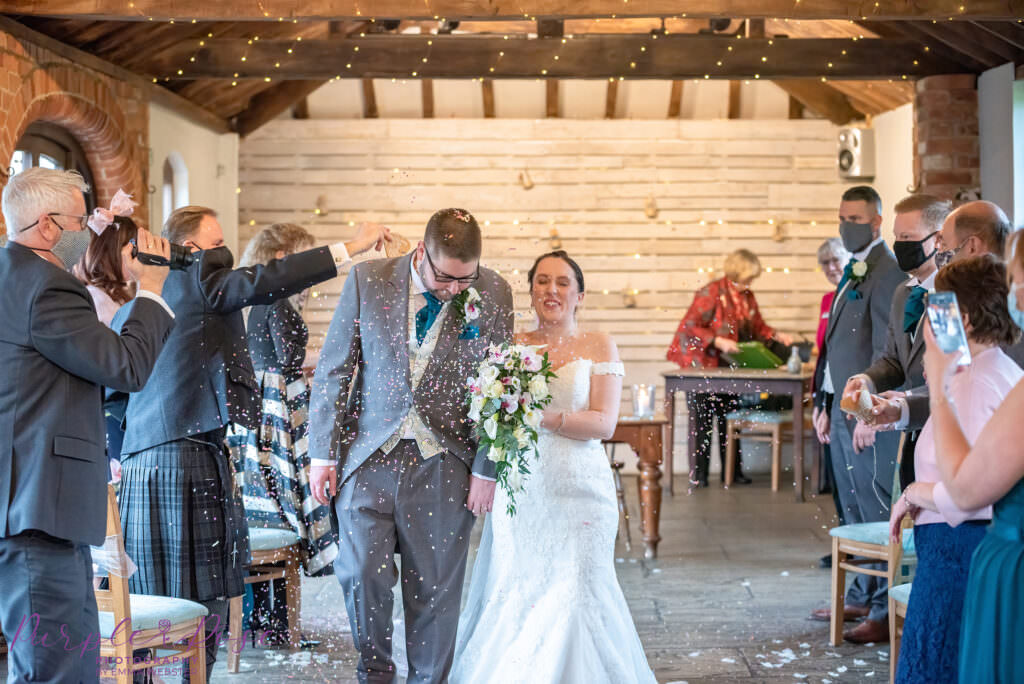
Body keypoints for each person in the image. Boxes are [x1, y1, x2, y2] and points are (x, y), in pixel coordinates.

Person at [117, 205, 390, 679]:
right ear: (190, 250)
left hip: (141, 462)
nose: (224, 254)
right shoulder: (201, 277)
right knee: (204, 599)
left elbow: (115, 391)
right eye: (216, 244)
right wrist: (353, 246)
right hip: (188, 455)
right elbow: (269, 276)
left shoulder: (136, 301)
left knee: (147, 594)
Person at [308, 208, 513, 683]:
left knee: (436, 592)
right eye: (445, 278)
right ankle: (375, 673)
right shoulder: (368, 280)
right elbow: (336, 368)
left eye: (467, 280)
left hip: (445, 463)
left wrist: (486, 467)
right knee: (361, 574)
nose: (455, 290)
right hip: (367, 457)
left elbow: (500, 382)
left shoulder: (495, 291)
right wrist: (323, 454)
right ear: (421, 253)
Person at [0, 168, 175, 682]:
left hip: (35, 507)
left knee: (66, 665)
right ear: (49, 226)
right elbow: (126, 367)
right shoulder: (47, 288)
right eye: (82, 221)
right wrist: (154, 290)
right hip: (38, 510)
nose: (91, 232)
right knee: (55, 671)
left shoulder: (15, 276)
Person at [451, 251, 656, 684]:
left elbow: (604, 422)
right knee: (521, 589)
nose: (552, 290)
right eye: (542, 281)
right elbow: (491, 420)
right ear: (530, 292)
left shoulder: (599, 344)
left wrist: (541, 417)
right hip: (524, 491)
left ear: (580, 294)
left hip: (581, 488)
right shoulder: (513, 346)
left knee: (580, 591)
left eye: (563, 282)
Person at [886, 255, 1020, 684]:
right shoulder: (983, 370)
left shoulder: (979, 381)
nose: (926, 317)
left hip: (959, 552)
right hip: (948, 551)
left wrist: (913, 494)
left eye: (934, 306)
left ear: (957, 315)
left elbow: (971, 494)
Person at [920, 231, 1024, 683]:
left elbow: (968, 489)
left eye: (1017, 278)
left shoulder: (978, 379)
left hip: (989, 557)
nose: (1013, 292)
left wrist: (937, 381)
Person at [230, 222, 339, 642]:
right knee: (281, 504)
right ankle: (273, 622)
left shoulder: (261, 300)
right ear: (281, 260)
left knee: (273, 505)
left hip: (269, 406)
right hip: (275, 410)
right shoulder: (275, 300)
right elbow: (290, 360)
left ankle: (270, 619)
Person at [809, 186, 906, 644]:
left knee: (875, 505)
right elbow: (834, 349)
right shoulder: (852, 269)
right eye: (842, 216)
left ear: (876, 222)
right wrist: (825, 404)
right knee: (851, 505)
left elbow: (889, 355)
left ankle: (883, 609)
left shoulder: (887, 272)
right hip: (842, 409)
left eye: (857, 218)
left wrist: (872, 414)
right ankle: (864, 590)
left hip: (868, 415)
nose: (847, 224)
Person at [842, 195, 951, 489]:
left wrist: (905, 403)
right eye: (896, 237)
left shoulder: (950, 295)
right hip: (913, 430)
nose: (900, 245)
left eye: (908, 238)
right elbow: (893, 359)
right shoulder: (904, 293)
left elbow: (955, 372)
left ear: (938, 240)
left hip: (946, 432)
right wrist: (866, 380)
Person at [666, 249, 793, 487]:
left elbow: (758, 328)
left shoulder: (747, 297)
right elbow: (691, 326)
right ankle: (699, 476)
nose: (750, 283)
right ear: (738, 271)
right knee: (702, 422)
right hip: (701, 365)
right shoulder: (711, 292)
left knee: (728, 417)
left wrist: (777, 335)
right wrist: (716, 340)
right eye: (748, 277)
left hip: (727, 366)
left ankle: (732, 473)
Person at [76, 211, 141, 482]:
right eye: (132, 248)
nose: (138, 255)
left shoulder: (121, 293)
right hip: (110, 408)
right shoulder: (95, 299)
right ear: (114, 253)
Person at [811, 238, 851, 568]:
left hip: (850, 398)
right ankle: (844, 542)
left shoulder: (854, 294)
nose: (831, 268)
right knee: (837, 480)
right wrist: (820, 404)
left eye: (836, 260)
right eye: (825, 263)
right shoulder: (827, 299)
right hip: (829, 396)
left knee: (852, 481)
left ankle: (854, 542)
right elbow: (824, 355)